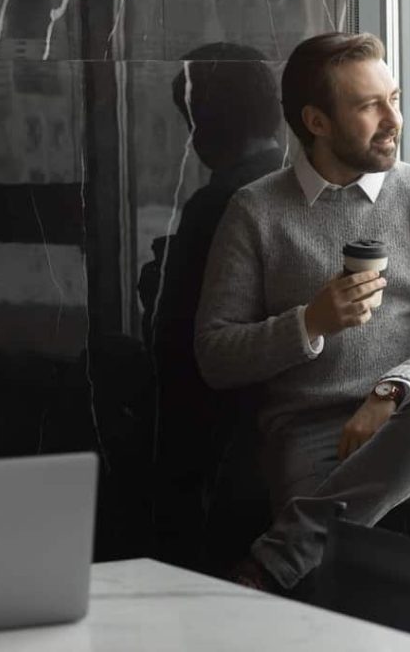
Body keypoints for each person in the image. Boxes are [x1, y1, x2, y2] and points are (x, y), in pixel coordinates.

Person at [193, 32, 410, 593]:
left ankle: (271, 564)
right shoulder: (255, 211)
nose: (393, 119)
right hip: (310, 438)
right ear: (318, 121)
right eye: (368, 106)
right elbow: (216, 354)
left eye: (394, 98)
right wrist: (310, 323)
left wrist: (392, 391)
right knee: (330, 597)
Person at [137, 43, 285, 571]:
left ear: (203, 122)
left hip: (218, 448)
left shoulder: (218, 202)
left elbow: (176, 337)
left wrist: (158, 278)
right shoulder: (300, 183)